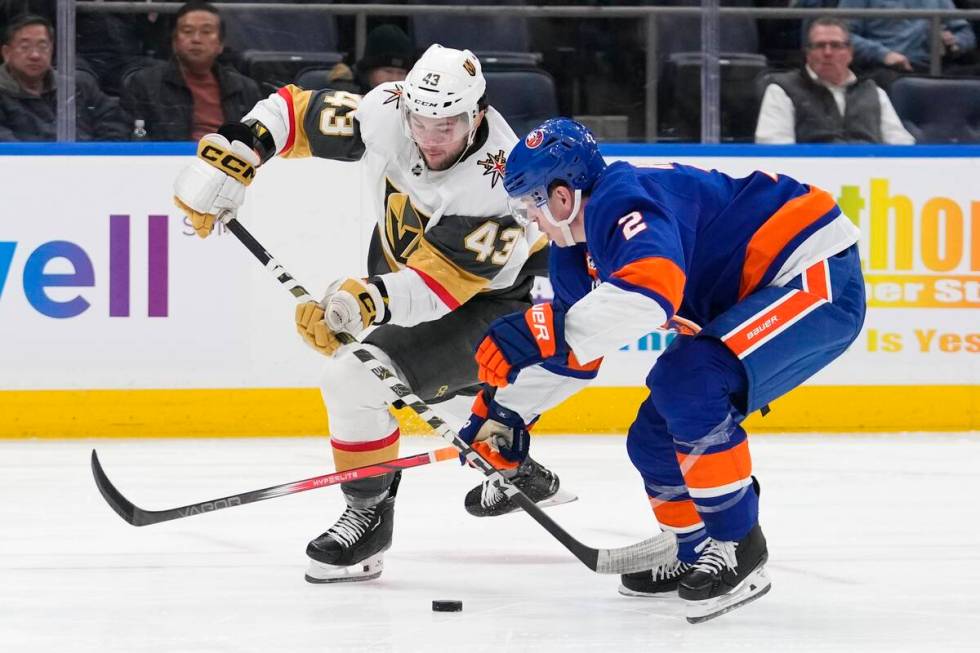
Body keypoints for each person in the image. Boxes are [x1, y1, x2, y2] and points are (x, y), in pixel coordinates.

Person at [171, 44, 559, 584]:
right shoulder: (387, 113)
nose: (430, 136)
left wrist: (364, 301)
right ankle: (490, 469)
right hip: (411, 277)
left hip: (496, 304)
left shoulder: (501, 181)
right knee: (376, 383)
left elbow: (439, 286)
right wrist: (243, 148)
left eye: (448, 124)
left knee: (353, 377)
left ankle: (387, 507)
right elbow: (294, 111)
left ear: (478, 114)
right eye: (422, 120)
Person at [462, 118, 866, 623]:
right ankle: (693, 549)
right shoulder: (573, 249)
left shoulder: (621, 200)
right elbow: (574, 351)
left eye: (531, 204)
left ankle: (738, 544)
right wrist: (503, 413)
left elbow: (648, 298)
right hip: (746, 295)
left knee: (689, 380)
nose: (530, 220)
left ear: (563, 196)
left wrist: (536, 331)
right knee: (653, 438)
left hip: (812, 272)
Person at [755, 17, 915, 144]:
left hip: (868, 179)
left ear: (850, 52)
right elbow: (773, 148)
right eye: (819, 46)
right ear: (808, 53)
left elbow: (901, 144)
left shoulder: (873, 91)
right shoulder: (782, 89)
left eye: (836, 45)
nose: (828, 52)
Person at [121, 1, 262, 141]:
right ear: (174, 42)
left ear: (220, 44)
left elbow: (260, 142)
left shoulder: (244, 89)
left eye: (206, 31)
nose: (196, 39)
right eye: (187, 31)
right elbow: (134, 139)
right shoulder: (144, 84)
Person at [0, 14, 129, 141]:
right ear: (6, 53)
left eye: (42, 46)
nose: (35, 55)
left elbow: (114, 125)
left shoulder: (78, 86)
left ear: (52, 50)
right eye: (25, 47)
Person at [837, 0, 976, 77]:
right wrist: (883, 55)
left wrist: (955, 43)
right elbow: (841, 35)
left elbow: (965, 32)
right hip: (886, 68)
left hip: (938, 66)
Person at [324, 24, 415, 94]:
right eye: (388, 71)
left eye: (401, 73)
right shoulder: (344, 95)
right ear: (369, 71)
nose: (394, 79)